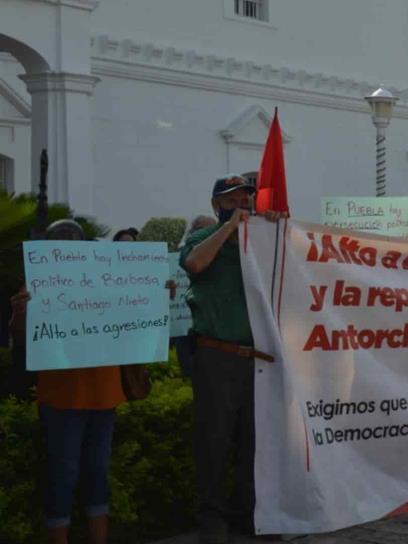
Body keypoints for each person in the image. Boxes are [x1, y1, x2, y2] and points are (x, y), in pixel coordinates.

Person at [181, 175, 285, 543]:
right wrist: (229, 229)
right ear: (216, 205)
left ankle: (248, 514)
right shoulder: (201, 238)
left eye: (245, 198)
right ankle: (212, 519)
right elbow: (194, 265)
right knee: (214, 440)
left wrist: (274, 227)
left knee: (253, 441)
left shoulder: (260, 240)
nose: (241, 204)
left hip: (256, 358)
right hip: (217, 357)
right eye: (232, 200)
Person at [9, 219, 126, 544]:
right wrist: (20, 313)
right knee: (64, 476)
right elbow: (21, 338)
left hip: (104, 394)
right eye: (60, 243)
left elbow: (136, 319)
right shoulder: (36, 285)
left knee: (97, 474)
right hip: (61, 397)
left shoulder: (107, 281)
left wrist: (155, 298)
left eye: (72, 242)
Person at [169, 215, 218, 378]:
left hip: (212, 335)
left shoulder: (224, 258)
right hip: (184, 328)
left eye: (209, 229)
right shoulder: (178, 258)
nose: (204, 233)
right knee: (191, 374)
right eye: (198, 229)